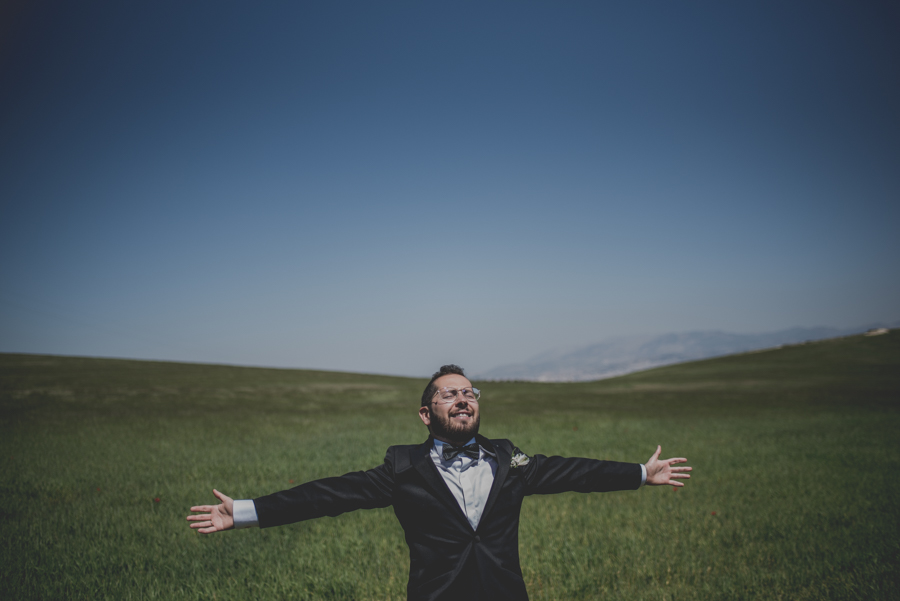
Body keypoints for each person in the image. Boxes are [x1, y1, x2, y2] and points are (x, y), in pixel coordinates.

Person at [187, 364, 691, 600]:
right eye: (450, 394)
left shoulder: (508, 458)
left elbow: (574, 472)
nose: (463, 398)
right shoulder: (403, 469)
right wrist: (248, 511)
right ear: (426, 414)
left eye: (469, 392)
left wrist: (641, 474)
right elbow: (329, 494)